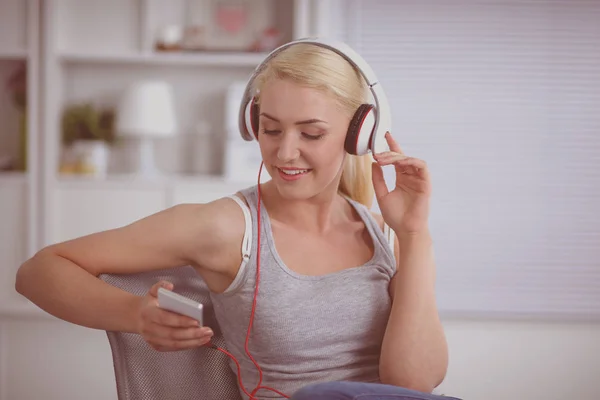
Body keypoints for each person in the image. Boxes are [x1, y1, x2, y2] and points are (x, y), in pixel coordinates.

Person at [15, 39, 458, 400]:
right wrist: (135, 313)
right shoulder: (227, 229)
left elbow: (412, 386)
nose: (285, 152)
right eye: (270, 129)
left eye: (311, 133)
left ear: (360, 133)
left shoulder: (388, 236)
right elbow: (38, 271)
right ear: (253, 124)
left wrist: (414, 234)